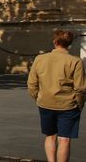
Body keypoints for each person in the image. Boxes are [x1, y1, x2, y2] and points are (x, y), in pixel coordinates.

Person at [28, 29, 86, 162]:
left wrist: (37, 97)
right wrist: (80, 104)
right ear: (69, 44)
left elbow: (32, 83)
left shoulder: (40, 58)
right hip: (68, 105)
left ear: (54, 41)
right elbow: (81, 88)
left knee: (50, 136)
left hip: (45, 103)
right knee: (64, 139)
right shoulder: (75, 61)